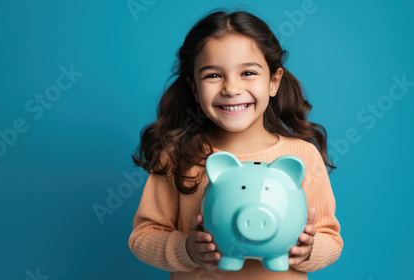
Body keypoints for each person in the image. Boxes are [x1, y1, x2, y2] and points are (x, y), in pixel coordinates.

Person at [128, 8, 343, 280]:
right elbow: (143, 237)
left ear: (273, 82)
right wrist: (186, 249)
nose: (231, 88)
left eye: (248, 73)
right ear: (194, 89)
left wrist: (309, 250)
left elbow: (331, 239)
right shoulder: (177, 156)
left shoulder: (301, 156)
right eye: (213, 76)